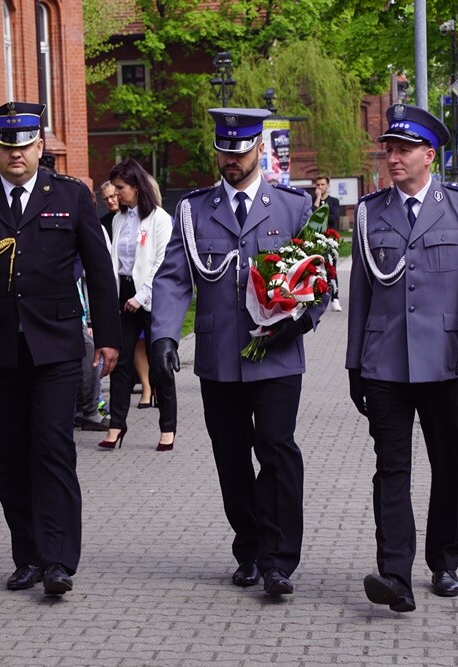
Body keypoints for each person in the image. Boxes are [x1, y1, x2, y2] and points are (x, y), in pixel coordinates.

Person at [0, 101, 121, 596]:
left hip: (57, 347)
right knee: (12, 457)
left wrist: (108, 338)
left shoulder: (71, 195)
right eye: (6, 146)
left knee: (53, 450)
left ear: (40, 145)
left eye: (24, 145)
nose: (15, 154)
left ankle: (59, 561)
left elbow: (100, 272)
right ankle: (29, 556)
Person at [150, 108, 327, 596]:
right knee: (230, 455)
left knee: (277, 449)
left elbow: (320, 277)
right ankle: (248, 547)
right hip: (220, 355)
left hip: (277, 354)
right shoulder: (194, 209)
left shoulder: (293, 207)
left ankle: (278, 560)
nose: (232, 160)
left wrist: (301, 321)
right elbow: (172, 278)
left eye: (241, 151)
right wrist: (164, 335)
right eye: (224, 151)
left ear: (259, 151)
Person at [346, 104, 458, 613]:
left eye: (404, 149)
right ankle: (395, 575)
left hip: (445, 361)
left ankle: (444, 561)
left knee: (448, 464)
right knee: (391, 468)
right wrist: (354, 364)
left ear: (429, 155)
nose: (393, 157)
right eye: (389, 148)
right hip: (385, 363)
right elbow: (362, 292)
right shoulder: (371, 212)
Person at [100, 158, 176, 452]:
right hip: (124, 295)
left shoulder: (158, 218)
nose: (116, 194)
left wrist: (142, 295)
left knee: (160, 363)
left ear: (136, 186)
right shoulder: (119, 219)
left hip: (152, 298)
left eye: (120, 188)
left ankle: (168, 427)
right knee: (120, 361)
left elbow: (162, 261)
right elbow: (114, 261)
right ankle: (116, 425)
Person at [312, 175, 342, 312]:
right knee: (315, 270)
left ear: (328, 186)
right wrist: (317, 199)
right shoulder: (313, 201)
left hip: (330, 240)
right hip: (316, 240)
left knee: (331, 270)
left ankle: (335, 298)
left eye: (322, 185)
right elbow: (312, 217)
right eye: (318, 185)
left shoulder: (334, 201)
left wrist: (321, 214)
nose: (320, 187)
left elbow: (333, 218)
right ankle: (317, 298)